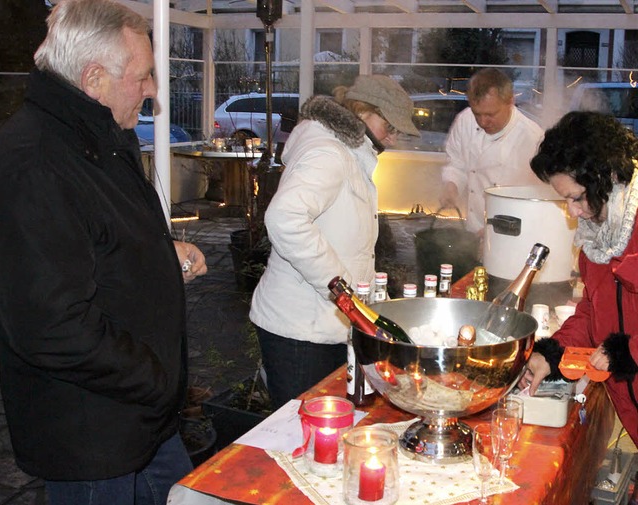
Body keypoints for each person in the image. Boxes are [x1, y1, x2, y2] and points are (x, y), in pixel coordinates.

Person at [0, 0, 207, 503]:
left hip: (140, 417)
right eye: (144, 77)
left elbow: (96, 237)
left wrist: (160, 254)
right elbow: (50, 325)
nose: (154, 92)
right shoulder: (35, 162)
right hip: (92, 431)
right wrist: (156, 379)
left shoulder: (95, 135)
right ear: (94, 78)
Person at [249, 75, 419, 409]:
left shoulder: (346, 152)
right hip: (301, 330)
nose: (394, 138)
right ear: (363, 112)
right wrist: (339, 288)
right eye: (390, 126)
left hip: (321, 324)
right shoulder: (330, 153)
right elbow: (284, 217)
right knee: (303, 431)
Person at [520, 111, 638, 446]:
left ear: (606, 177)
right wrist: (553, 353)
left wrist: (628, 351)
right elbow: (593, 311)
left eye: (576, 197)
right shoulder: (596, 239)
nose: (572, 212)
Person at [439, 68, 544, 234]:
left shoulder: (531, 138)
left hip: (510, 234)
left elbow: (535, 202)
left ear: (510, 101)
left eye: (490, 114)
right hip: (472, 227)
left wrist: (495, 230)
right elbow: (456, 164)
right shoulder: (465, 120)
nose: (483, 121)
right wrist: (451, 187)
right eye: (477, 113)